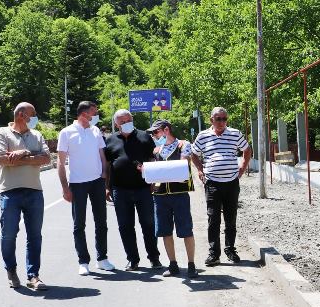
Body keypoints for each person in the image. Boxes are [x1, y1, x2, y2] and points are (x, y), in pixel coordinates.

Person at [0, 103, 51, 290]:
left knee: (34, 236)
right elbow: (2, 160)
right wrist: (31, 158)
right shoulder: (1, 133)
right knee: (9, 235)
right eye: (32, 114)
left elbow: (46, 158)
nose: (35, 118)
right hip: (9, 191)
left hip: (35, 191)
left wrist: (23, 153)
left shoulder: (36, 135)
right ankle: (11, 270)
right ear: (21, 114)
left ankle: (33, 275)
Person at [58, 101, 116, 275]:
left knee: (101, 221)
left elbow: (102, 157)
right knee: (79, 224)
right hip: (77, 183)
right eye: (93, 112)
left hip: (97, 181)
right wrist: (65, 188)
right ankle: (83, 261)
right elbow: (60, 162)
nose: (96, 115)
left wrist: (105, 179)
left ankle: (102, 258)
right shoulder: (66, 132)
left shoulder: (96, 131)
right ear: (84, 114)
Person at [191, 107, 251, 266]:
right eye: (218, 119)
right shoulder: (203, 136)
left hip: (231, 182)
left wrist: (242, 168)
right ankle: (214, 253)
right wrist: (199, 169)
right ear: (211, 120)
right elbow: (194, 153)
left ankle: (230, 249)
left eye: (224, 119)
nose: (222, 122)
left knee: (231, 218)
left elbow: (247, 150)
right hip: (212, 183)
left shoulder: (234, 133)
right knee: (213, 218)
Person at [105, 109, 161, 271]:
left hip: (144, 189)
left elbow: (153, 159)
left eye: (128, 120)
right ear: (116, 124)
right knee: (125, 226)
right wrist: (107, 187)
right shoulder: (110, 140)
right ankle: (133, 259)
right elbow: (107, 166)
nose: (126, 123)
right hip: (120, 191)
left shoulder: (145, 136)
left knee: (149, 225)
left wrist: (154, 180)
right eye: (122, 122)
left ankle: (154, 258)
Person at [147, 119, 197, 278]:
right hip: (160, 196)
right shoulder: (156, 150)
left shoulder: (184, 145)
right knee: (164, 231)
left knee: (186, 230)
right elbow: (154, 172)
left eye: (156, 132)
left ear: (166, 130)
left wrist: (162, 172)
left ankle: (191, 264)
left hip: (179, 194)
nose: (154, 136)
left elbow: (182, 166)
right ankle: (173, 264)